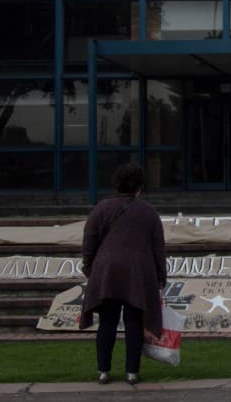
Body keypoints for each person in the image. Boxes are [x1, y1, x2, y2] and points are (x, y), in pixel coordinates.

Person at [79, 163, 167, 385]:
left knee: (107, 322)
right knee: (134, 322)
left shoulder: (101, 209)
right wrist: (160, 276)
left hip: (106, 270)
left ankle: (103, 370)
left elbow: (89, 240)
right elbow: (158, 247)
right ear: (139, 187)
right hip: (139, 273)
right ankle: (132, 372)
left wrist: (90, 268)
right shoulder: (149, 213)